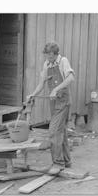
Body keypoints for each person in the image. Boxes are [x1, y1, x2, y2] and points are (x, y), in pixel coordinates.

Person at [27, 42, 75, 174]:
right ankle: (66, 161)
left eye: (49, 56)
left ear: (55, 54)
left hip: (63, 101)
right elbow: (41, 83)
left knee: (53, 132)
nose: (47, 58)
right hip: (53, 103)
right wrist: (33, 94)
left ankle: (58, 164)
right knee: (61, 132)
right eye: (46, 56)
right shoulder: (47, 64)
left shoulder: (63, 61)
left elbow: (71, 78)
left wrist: (56, 89)